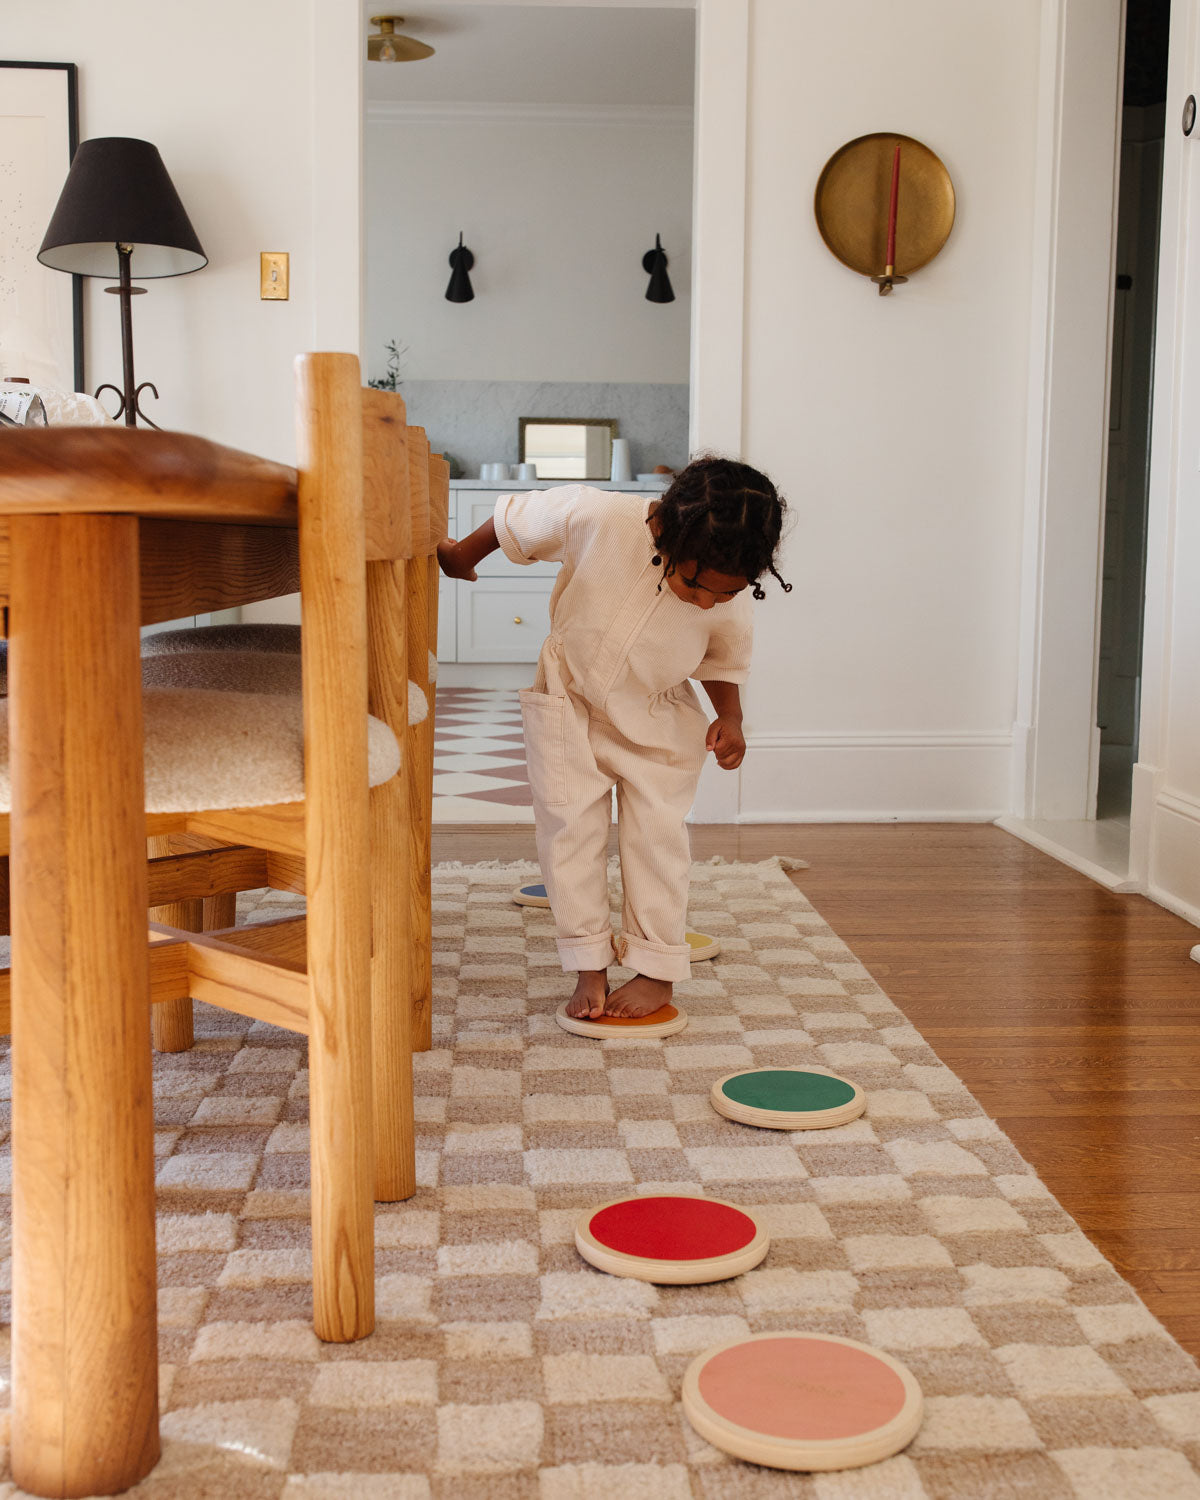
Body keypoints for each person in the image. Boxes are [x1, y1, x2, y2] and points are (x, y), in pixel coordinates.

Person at [436, 456, 791, 1020]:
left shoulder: (728, 588)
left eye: (723, 596)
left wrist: (732, 718)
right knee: (569, 831)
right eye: (698, 586)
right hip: (567, 703)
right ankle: (588, 963)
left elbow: (724, 657)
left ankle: (656, 970)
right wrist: (459, 556)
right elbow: (516, 520)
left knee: (657, 841)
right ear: (664, 533)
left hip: (659, 715)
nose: (706, 604)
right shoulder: (597, 516)